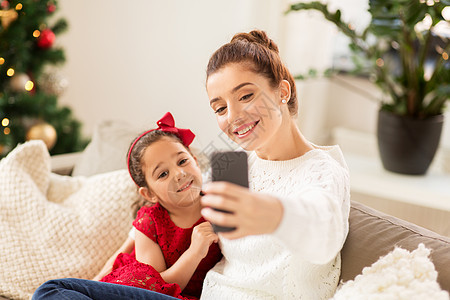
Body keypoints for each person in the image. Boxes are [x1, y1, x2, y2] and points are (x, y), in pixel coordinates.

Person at [33, 29, 350, 299]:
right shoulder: (231, 164)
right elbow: (169, 206)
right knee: (59, 292)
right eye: (220, 107)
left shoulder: (322, 168)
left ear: (282, 91)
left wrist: (273, 213)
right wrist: (116, 259)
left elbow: (323, 230)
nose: (233, 117)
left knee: (53, 291)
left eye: (245, 96)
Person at [33, 112, 222, 300]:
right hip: (136, 292)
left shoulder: (219, 204)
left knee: (51, 290)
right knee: (49, 292)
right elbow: (155, 287)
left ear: (196, 162)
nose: (179, 174)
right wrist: (195, 252)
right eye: (163, 174)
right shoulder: (150, 221)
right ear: (149, 194)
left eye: (183, 161)